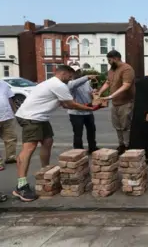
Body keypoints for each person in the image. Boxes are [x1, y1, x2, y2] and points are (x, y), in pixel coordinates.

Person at [14, 65, 99, 202]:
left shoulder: (53, 84)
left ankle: (45, 173)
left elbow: (64, 104)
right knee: (29, 148)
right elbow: (71, 104)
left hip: (40, 117)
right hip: (30, 117)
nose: (70, 79)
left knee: (48, 141)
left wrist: (88, 106)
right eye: (70, 76)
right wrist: (91, 108)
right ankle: (21, 186)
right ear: (64, 74)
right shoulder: (58, 85)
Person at [97, 50, 135, 155]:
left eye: (109, 60)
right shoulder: (112, 69)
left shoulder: (127, 69)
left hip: (126, 102)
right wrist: (99, 93)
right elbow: (108, 82)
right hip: (115, 103)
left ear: (116, 58)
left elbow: (126, 85)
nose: (108, 62)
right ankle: (121, 145)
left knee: (125, 126)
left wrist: (111, 96)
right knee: (117, 126)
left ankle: (128, 146)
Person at [67, 67, 99, 154]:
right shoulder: (70, 83)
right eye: (75, 71)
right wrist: (87, 77)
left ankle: (92, 147)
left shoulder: (86, 82)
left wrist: (93, 92)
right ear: (71, 73)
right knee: (78, 133)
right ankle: (78, 151)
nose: (78, 73)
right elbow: (75, 84)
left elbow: (90, 91)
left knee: (92, 130)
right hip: (76, 113)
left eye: (78, 71)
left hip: (88, 110)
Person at [0, 79, 18, 169]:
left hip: (7, 116)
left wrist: (15, 112)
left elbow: (10, 98)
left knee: (11, 138)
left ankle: (11, 157)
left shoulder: (3, 84)